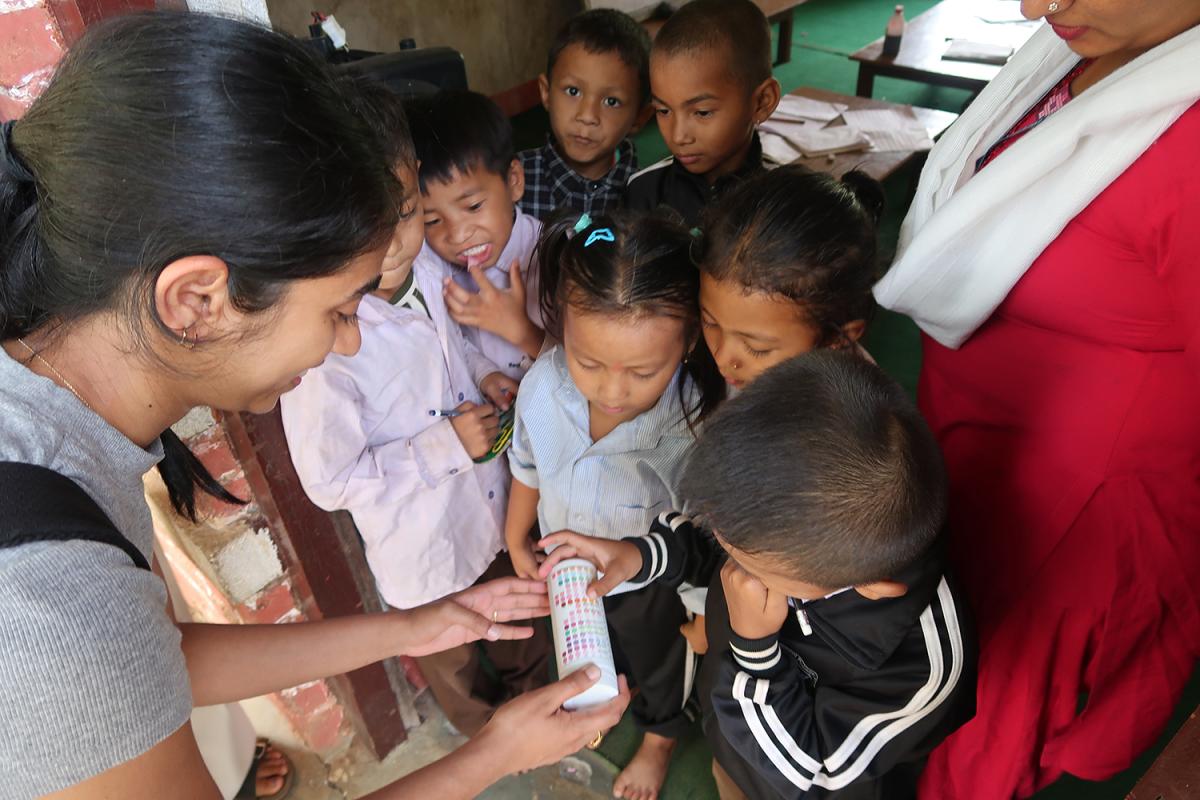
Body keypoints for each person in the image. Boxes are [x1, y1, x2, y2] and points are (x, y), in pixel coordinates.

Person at [0, 13, 628, 799]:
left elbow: (156, 653)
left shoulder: (50, 429)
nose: (352, 343)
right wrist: (490, 755)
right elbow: (101, 649)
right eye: (342, 309)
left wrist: (415, 626)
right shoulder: (42, 604)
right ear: (198, 299)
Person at [872, 1, 1200, 797]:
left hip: (1069, 510)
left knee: (984, 704)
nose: (1033, 6)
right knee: (922, 649)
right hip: (975, 448)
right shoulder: (1095, 42)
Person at [538, 351, 977, 800]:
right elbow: (714, 543)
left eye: (750, 564)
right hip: (732, 739)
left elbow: (814, 771)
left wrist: (754, 650)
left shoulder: (924, 667)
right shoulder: (787, 538)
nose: (734, 574)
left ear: (869, 587)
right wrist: (641, 554)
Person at [280, 85, 547, 737]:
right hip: (425, 555)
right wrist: (445, 446)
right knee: (455, 663)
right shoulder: (323, 352)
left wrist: (485, 376)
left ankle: (539, 712)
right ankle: (488, 743)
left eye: (404, 214)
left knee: (520, 629)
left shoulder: (426, 267)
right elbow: (330, 481)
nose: (394, 243)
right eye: (365, 224)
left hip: (490, 508)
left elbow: (450, 345)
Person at [505, 211, 723, 800]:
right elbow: (527, 461)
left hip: (653, 586)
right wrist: (515, 532)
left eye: (642, 371)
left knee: (661, 664)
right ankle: (600, 706)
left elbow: (703, 536)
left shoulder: (691, 425)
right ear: (563, 327)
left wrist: (701, 610)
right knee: (582, 648)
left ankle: (659, 738)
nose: (611, 389)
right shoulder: (544, 385)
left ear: (691, 338)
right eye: (590, 362)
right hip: (566, 570)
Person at [673, 163, 885, 655]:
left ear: (839, 338)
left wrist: (719, 620)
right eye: (710, 322)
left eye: (757, 347)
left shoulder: (843, 439)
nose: (725, 356)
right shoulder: (744, 369)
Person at [406, 90, 545, 382]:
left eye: (473, 206)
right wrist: (485, 373)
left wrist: (521, 330)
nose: (458, 236)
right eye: (431, 220)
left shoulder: (556, 254)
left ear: (514, 182)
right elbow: (454, 341)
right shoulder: (431, 268)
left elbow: (589, 361)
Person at [625, 0, 781, 227]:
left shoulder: (785, 200)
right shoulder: (644, 193)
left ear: (762, 102)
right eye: (664, 110)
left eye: (702, 112)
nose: (678, 136)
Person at [518, 8, 651, 221]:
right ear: (545, 92)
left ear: (639, 117)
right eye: (573, 91)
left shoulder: (650, 194)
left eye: (611, 101)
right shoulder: (511, 180)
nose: (587, 116)